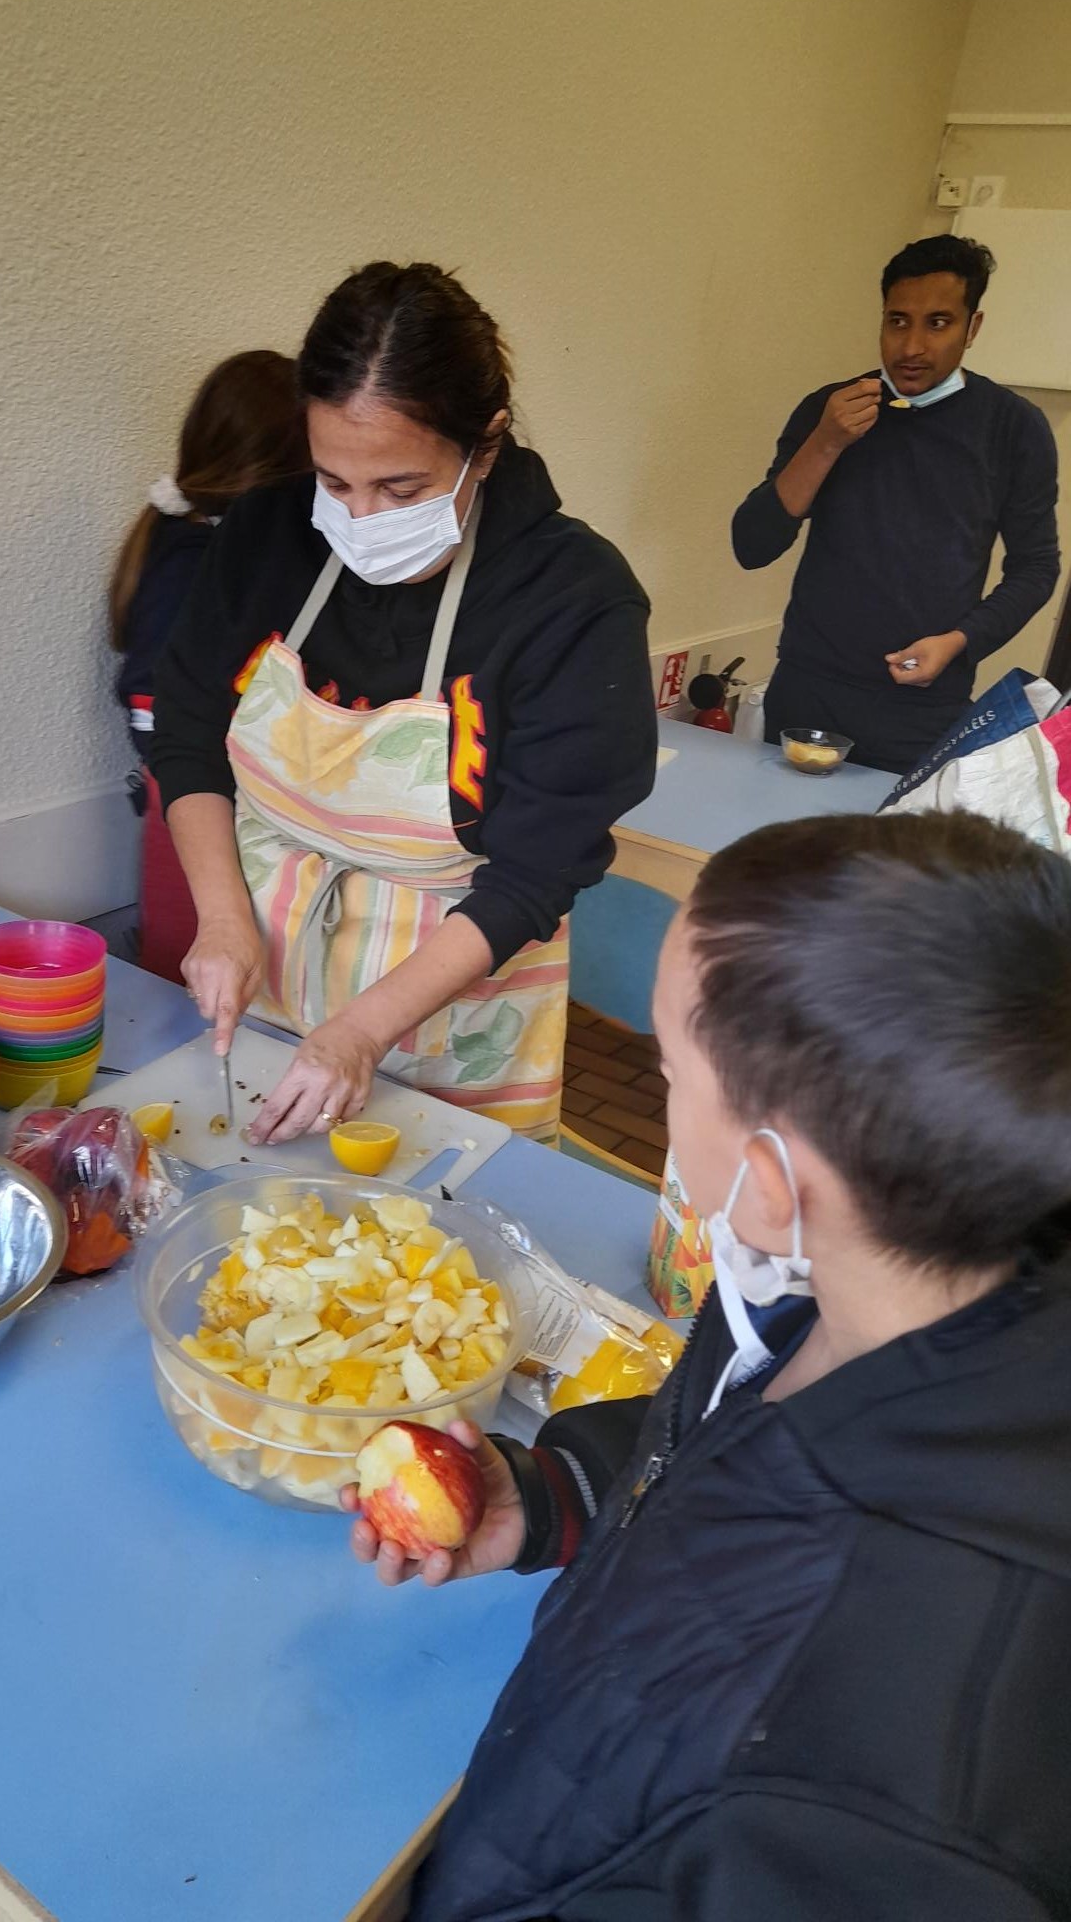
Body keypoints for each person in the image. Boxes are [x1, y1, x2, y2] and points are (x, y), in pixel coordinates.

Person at [346, 808, 1071, 1921]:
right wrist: (564, 1496)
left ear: (774, 1184)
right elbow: (723, 1441)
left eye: (669, 1070)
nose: (663, 1090)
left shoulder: (881, 1810)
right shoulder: (856, 1292)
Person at [150, 262, 658, 1143]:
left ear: (485, 445)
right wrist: (224, 921)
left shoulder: (573, 598)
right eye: (333, 482)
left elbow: (538, 870)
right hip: (268, 967)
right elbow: (188, 730)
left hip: (454, 1008)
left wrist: (360, 1031)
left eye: (402, 489)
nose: (360, 518)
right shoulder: (269, 533)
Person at [732, 235, 1061, 773]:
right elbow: (752, 545)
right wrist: (826, 443)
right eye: (898, 321)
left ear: (972, 327)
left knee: (895, 832)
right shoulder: (830, 409)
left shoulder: (1013, 427)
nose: (911, 347)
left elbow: (1037, 567)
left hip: (923, 707)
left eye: (938, 323)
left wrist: (960, 642)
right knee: (778, 829)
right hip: (806, 692)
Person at [108, 350, 306, 984]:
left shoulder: (218, 548)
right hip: (197, 816)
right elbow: (155, 709)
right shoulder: (195, 565)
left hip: (236, 810)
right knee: (195, 983)